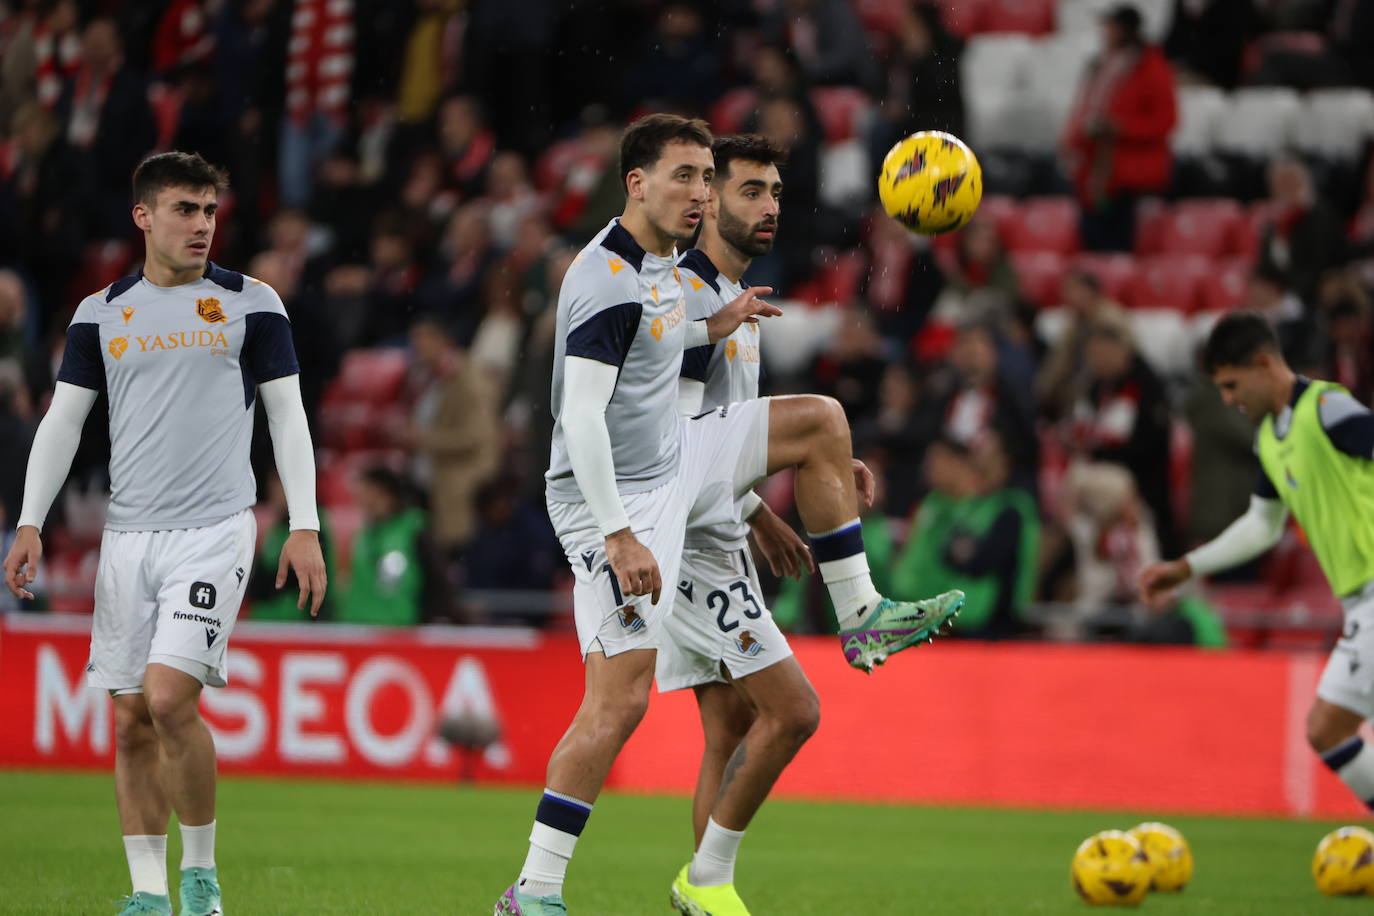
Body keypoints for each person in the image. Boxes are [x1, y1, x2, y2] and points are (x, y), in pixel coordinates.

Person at [494, 114, 961, 916]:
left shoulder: (671, 270)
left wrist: (729, 342)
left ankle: (863, 615)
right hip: (615, 498)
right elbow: (580, 419)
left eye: (708, 178)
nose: (700, 193)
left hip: (679, 463)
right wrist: (621, 532)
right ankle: (534, 890)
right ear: (636, 182)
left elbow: (668, 350)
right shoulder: (605, 276)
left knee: (818, 422)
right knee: (620, 701)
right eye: (689, 176)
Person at [2, 152, 327, 916]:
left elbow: (287, 414)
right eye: (186, 209)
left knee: (170, 697)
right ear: (143, 216)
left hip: (214, 528)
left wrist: (305, 524)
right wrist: (29, 522)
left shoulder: (252, 303)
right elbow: (64, 423)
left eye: (210, 211)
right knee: (128, 718)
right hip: (129, 535)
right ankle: (148, 894)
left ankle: (201, 880)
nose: (203, 225)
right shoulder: (101, 313)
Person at [664, 134, 850, 915]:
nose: (769, 206)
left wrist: (795, 489)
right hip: (682, 537)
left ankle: (707, 893)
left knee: (731, 724)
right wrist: (757, 505)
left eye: (775, 191)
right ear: (707, 203)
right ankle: (703, 881)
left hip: (718, 531)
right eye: (750, 191)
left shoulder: (737, 301)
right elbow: (668, 448)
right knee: (793, 709)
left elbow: (721, 427)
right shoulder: (688, 300)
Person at [1140, 311, 1374, 813]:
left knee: (1328, 727)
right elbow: (1262, 525)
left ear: (1264, 364)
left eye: (1231, 384)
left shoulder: (1327, 408)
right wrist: (1186, 568)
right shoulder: (1272, 439)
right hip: (1360, 603)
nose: (1228, 399)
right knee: (1327, 730)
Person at [1061, 4, 1177, 252]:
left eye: (1111, 28)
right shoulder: (1100, 65)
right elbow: (1084, 108)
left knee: (1119, 245)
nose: (1105, 33)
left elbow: (1166, 121)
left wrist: (1121, 128)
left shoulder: (1151, 68)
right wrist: (1072, 139)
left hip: (1128, 174)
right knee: (1091, 241)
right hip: (1095, 172)